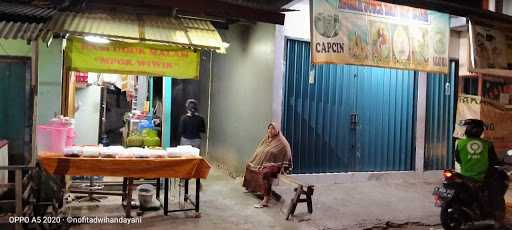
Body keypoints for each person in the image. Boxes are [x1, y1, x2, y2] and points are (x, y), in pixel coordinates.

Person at [455, 119, 507, 229]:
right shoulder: (487, 144)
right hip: (481, 177)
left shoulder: (460, 143)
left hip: (465, 176)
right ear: (479, 131)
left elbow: (458, 159)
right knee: (497, 192)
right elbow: (493, 161)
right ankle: (498, 219)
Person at [243, 122, 292, 208]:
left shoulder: (282, 142)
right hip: (266, 162)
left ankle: (265, 200)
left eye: (273, 128)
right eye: (269, 128)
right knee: (249, 165)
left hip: (277, 165)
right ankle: (251, 187)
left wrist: (276, 163)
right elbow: (260, 149)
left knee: (265, 173)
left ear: (277, 130)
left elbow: (287, 155)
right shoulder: (267, 139)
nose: (270, 130)